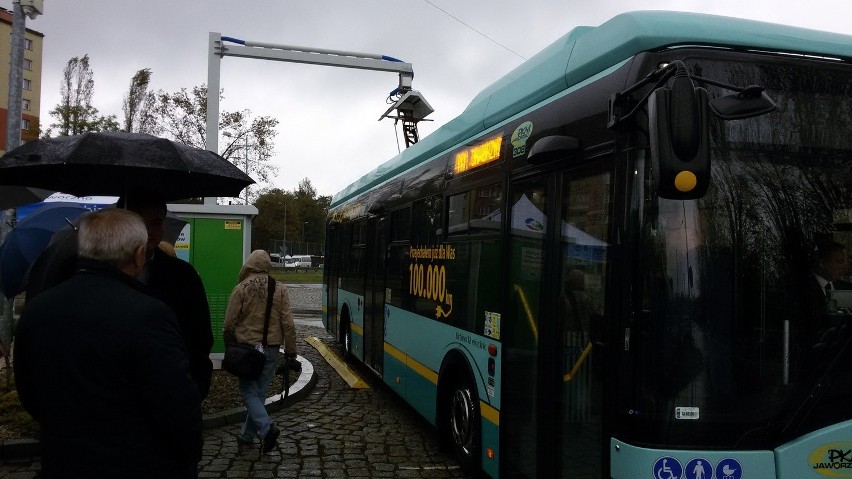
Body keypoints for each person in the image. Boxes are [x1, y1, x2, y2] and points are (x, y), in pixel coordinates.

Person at [14, 208, 202, 477]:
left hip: (62, 462)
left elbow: (29, 392)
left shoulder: (38, 308)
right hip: (136, 464)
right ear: (139, 255)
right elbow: (177, 408)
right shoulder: (149, 315)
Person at [120, 191, 214, 399]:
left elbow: (200, 337)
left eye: (156, 222)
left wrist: (194, 387)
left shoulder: (183, 277)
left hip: (169, 394)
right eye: (140, 222)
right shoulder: (95, 273)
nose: (149, 231)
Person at [223, 249, 298, 453]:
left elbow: (229, 323)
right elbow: (288, 323)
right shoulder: (280, 289)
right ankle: (246, 436)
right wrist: (291, 350)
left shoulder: (241, 288)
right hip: (272, 349)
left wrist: (229, 345)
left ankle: (266, 428)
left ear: (249, 265)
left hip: (247, 350)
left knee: (248, 392)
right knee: (259, 393)